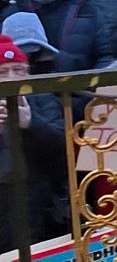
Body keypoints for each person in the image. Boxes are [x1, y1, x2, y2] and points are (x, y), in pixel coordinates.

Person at [0, 35, 66, 248]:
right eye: (3, 72)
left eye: (18, 70)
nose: (11, 77)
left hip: (36, 201)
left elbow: (63, 144)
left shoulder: (42, 97)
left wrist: (31, 123)